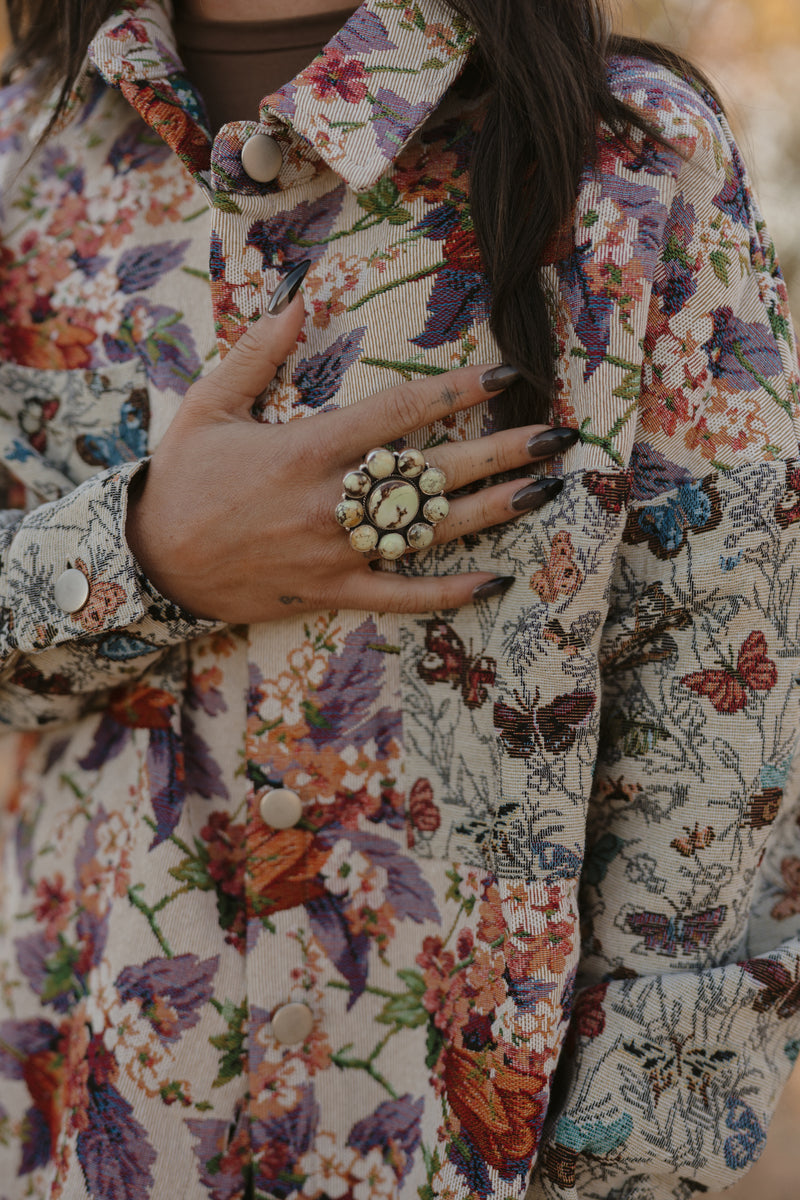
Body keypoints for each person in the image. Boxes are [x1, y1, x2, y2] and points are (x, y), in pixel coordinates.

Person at [0, 0, 799, 1197]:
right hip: (82, 1114)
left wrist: (624, 1170)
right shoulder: (32, 151)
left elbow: (725, 737)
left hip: (468, 1148)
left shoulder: (627, 159)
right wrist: (146, 549)